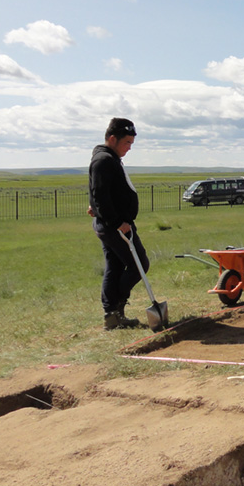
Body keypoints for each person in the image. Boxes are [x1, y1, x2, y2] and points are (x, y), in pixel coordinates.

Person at [88, 117, 146, 330]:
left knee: (114, 267)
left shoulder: (109, 158)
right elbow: (100, 193)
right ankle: (115, 308)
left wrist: (95, 206)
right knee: (139, 264)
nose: (129, 148)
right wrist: (116, 221)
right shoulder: (103, 160)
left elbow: (101, 191)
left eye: (131, 143)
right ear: (112, 138)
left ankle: (112, 317)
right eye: (126, 143)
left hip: (111, 223)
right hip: (116, 227)